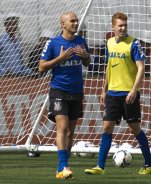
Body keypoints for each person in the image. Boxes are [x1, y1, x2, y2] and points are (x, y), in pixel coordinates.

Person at [85, 12, 151, 175]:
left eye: (125, 25)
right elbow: (109, 67)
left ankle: (150, 164)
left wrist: (134, 89)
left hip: (128, 93)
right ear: (113, 27)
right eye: (120, 25)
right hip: (112, 93)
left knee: (134, 128)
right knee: (107, 127)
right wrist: (104, 89)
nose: (123, 28)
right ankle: (100, 167)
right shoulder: (109, 43)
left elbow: (141, 68)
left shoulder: (134, 43)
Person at [39, 12, 90, 179]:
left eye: (76, 21)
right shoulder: (53, 43)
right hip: (59, 90)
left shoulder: (81, 41)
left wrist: (86, 57)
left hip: (76, 91)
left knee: (70, 132)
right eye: (72, 21)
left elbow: (87, 63)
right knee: (62, 127)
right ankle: (63, 166)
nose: (76, 23)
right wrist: (60, 58)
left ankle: (63, 167)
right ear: (63, 24)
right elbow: (41, 67)